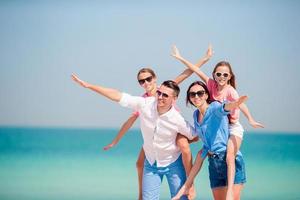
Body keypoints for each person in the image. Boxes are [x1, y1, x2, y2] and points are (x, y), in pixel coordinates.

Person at [71, 74, 197, 200]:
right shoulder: (145, 104)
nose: (160, 97)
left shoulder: (178, 120)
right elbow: (117, 95)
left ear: (174, 99)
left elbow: (195, 135)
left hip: (173, 163)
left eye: (165, 95)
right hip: (151, 162)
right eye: (159, 93)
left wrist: (179, 140)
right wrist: (89, 86)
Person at [103, 55, 211, 199]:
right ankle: (142, 195)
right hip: (155, 133)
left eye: (148, 79)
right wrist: (116, 140)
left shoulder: (165, 88)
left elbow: (186, 73)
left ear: (155, 78)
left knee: (183, 146)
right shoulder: (144, 100)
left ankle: (190, 185)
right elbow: (130, 121)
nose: (145, 82)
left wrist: (204, 59)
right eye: (141, 81)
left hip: (175, 129)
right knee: (139, 163)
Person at [172, 45, 264, 200]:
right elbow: (195, 69)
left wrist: (250, 118)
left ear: (229, 76)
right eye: (218, 74)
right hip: (215, 156)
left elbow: (229, 106)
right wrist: (182, 58)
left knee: (229, 155)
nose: (221, 77)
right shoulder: (201, 105)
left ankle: (229, 191)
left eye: (200, 93)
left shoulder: (228, 93)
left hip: (233, 125)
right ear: (214, 75)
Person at [172, 81, 248, 200]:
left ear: (206, 95)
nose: (196, 96)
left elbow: (224, 107)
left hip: (229, 160)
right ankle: (185, 187)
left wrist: (235, 104)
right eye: (192, 94)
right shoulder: (196, 115)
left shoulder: (214, 108)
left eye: (200, 93)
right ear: (189, 98)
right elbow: (206, 145)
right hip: (213, 163)